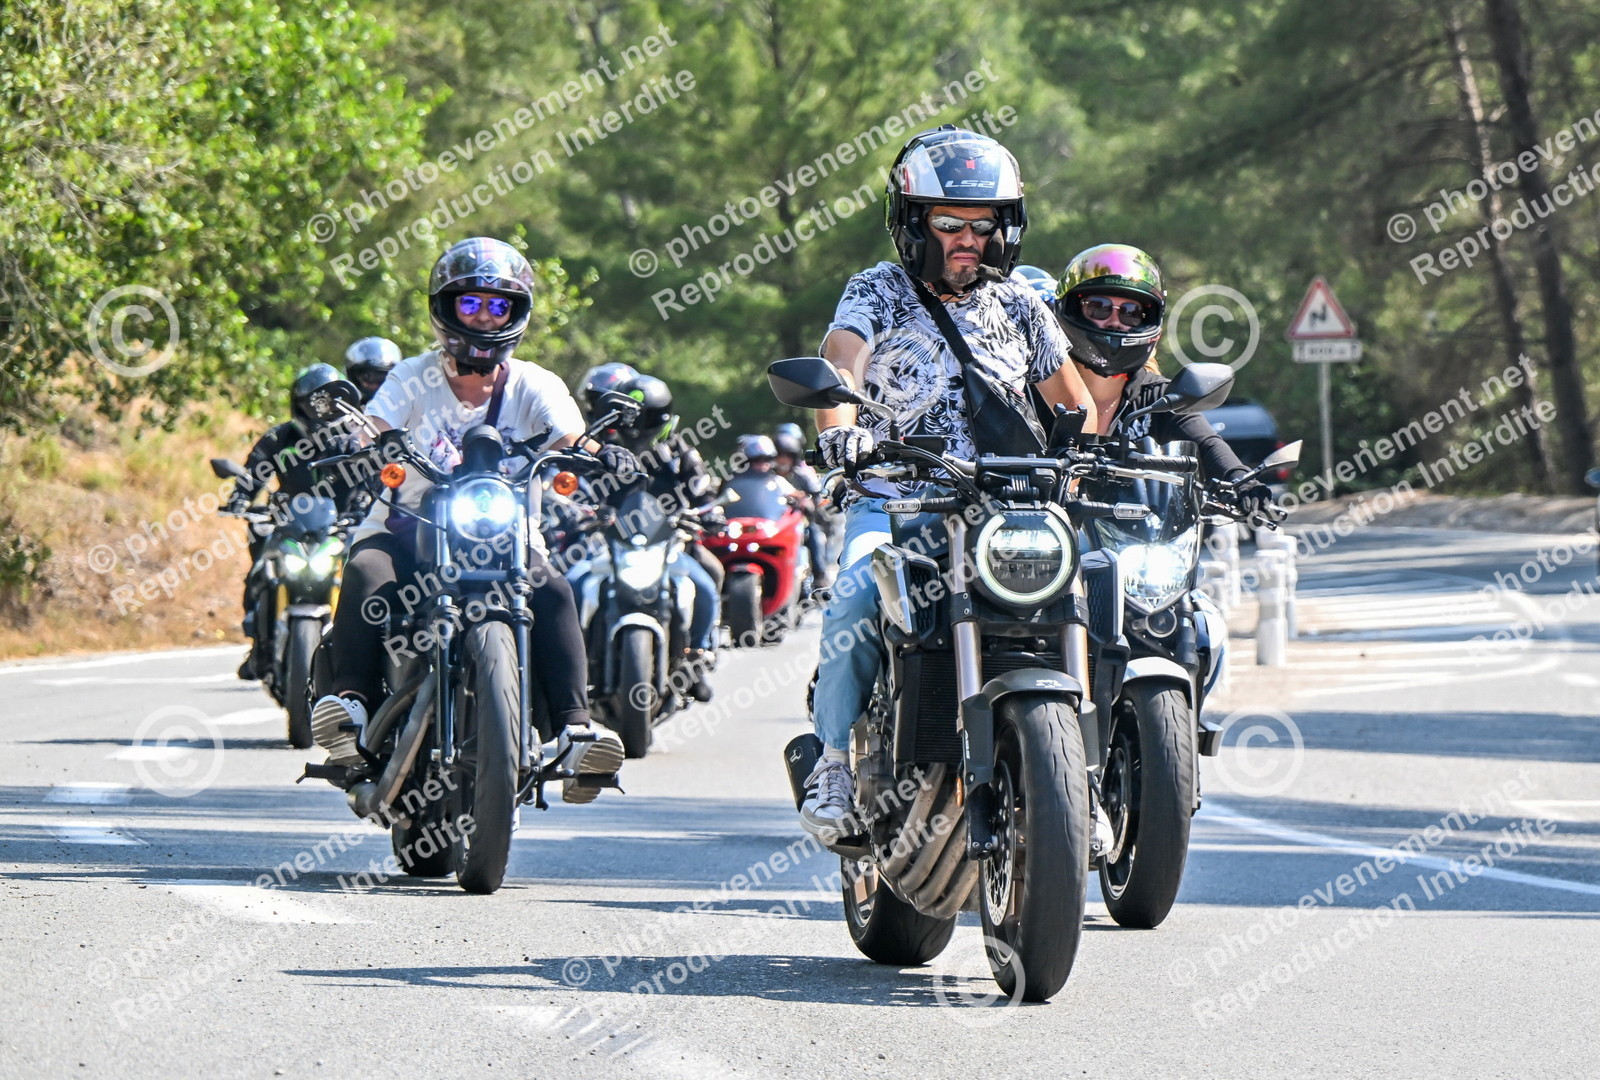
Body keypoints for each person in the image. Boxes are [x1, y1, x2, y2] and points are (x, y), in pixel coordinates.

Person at [798, 125, 1097, 838]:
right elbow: (841, 361)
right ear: (913, 223)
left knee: (1100, 589)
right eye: (949, 224)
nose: (968, 239)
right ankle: (832, 762)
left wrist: (1085, 455)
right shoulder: (877, 289)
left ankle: (1085, 777)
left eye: (982, 225)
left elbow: (1074, 405)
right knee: (855, 595)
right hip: (898, 499)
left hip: (1006, 506)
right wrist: (840, 429)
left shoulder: (1020, 303)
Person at [310, 237, 639, 804]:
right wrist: (362, 440)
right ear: (446, 308)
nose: (485, 316)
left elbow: (569, 435)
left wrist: (600, 452)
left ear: (516, 313)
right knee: (365, 572)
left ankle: (575, 731)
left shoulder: (536, 383)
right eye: (471, 303)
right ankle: (351, 710)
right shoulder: (413, 376)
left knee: (554, 590)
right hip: (407, 524)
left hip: (506, 536)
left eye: (497, 305)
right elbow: (374, 425)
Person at [586, 371, 722, 700]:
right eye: (630, 417)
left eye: (645, 419)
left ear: (662, 418)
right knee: (573, 584)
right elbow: (584, 488)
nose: (636, 426)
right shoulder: (605, 450)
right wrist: (588, 510)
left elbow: (702, 490)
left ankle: (696, 656)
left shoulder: (681, 453)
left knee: (709, 582)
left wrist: (711, 513)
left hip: (671, 543)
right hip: (611, 543)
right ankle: (575, 664)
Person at [228, 363, 367, 681]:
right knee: (260, 569)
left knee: (365, 577)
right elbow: (254, 473)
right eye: (314, 403)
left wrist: (363, 505)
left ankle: (363, 649)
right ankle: (259, 643)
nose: (322, 411)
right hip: (288, 525)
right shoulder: (280, 438)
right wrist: (240, 498)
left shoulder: (353, 441)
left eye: (330, 403)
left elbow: (371, 480)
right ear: (299, 404)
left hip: (340, 527)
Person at [771, 423, 830, 588]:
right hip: (772, 523)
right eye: (779, 455)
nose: (782, 460)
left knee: (814, 533)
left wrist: (806, 502)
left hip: (796, 524)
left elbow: (815, 495)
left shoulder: (802, 475)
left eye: (787, 455)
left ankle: (820, 577)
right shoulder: (766, 475)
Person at [344, 337, 402, 404]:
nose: (373, 385)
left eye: (380, 378)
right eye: (366, 377)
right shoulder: (343, 404)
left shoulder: (402, 404)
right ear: (354, 377)